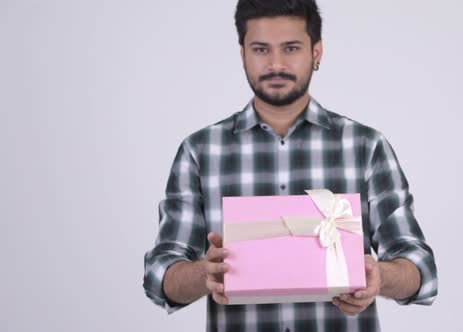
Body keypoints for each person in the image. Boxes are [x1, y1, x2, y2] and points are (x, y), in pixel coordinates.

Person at [143, 1, 438, 331]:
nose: (276, 63)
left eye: (291, 48)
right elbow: (160, 275)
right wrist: (202, 274)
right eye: (260, 49)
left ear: (317, 52)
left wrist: (381, 277)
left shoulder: (366, 147)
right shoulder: (200, 151)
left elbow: (419, 267)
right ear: (242, 54)